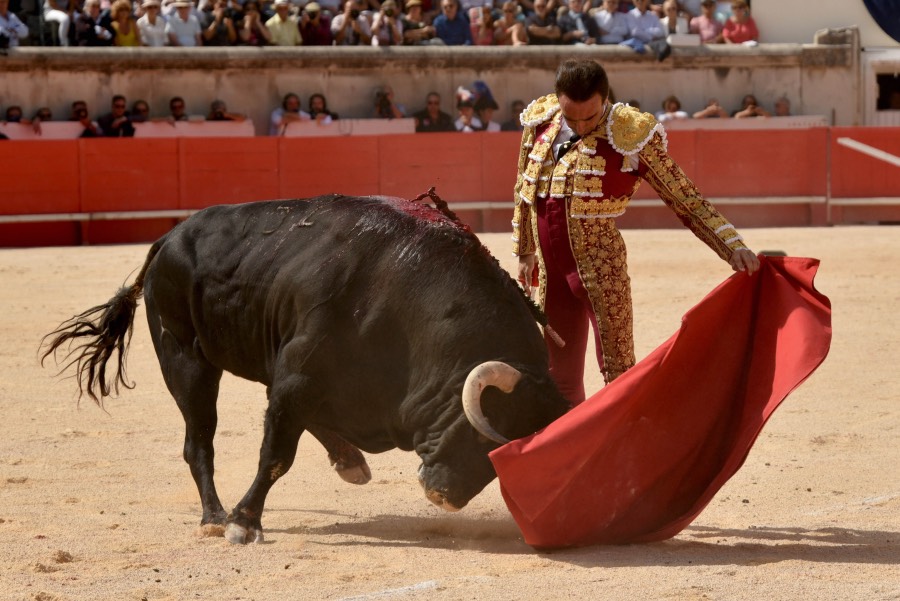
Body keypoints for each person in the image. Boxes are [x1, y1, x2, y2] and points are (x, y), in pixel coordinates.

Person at [511, 59, 759, 403]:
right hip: (552, 278)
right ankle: (571, 455)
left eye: (590, 116)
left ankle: (624, 452)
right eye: (572, 117)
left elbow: (684, 198)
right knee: (558, 376)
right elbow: (524, 189)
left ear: (606, 99)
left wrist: (731, 245)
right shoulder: (540, 121)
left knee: (618, 372)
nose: (581, 125)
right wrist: (524, 250)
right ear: (558, 100)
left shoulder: (631, 133)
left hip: (602, 271)